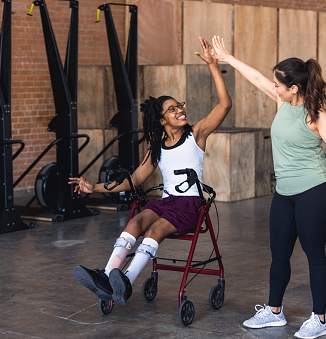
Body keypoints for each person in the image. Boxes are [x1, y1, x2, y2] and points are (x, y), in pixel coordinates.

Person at [68, 37, 231, 307]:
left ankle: (127, 281)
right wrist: (94, 187)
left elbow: (224, 105)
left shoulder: (196, 135)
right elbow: (134, 180)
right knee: (134, 223)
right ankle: (107, 279)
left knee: (154, 229)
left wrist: (213, 65)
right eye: (172, 109)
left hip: (190, 205)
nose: (180, 110)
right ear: (161, 120)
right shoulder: (156, 148)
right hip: (166, 203)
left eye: (180, 106)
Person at [210, 36, 326, 338]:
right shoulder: (282, 102)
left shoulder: (317, 116)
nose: (273, 87)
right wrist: (227, 58)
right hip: (284, 193)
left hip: (315, 189)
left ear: (294, 88)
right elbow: (257, 78)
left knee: (315, 255)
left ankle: (320, 319)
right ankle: (274, 312)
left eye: (278, 84)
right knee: (279, 255)